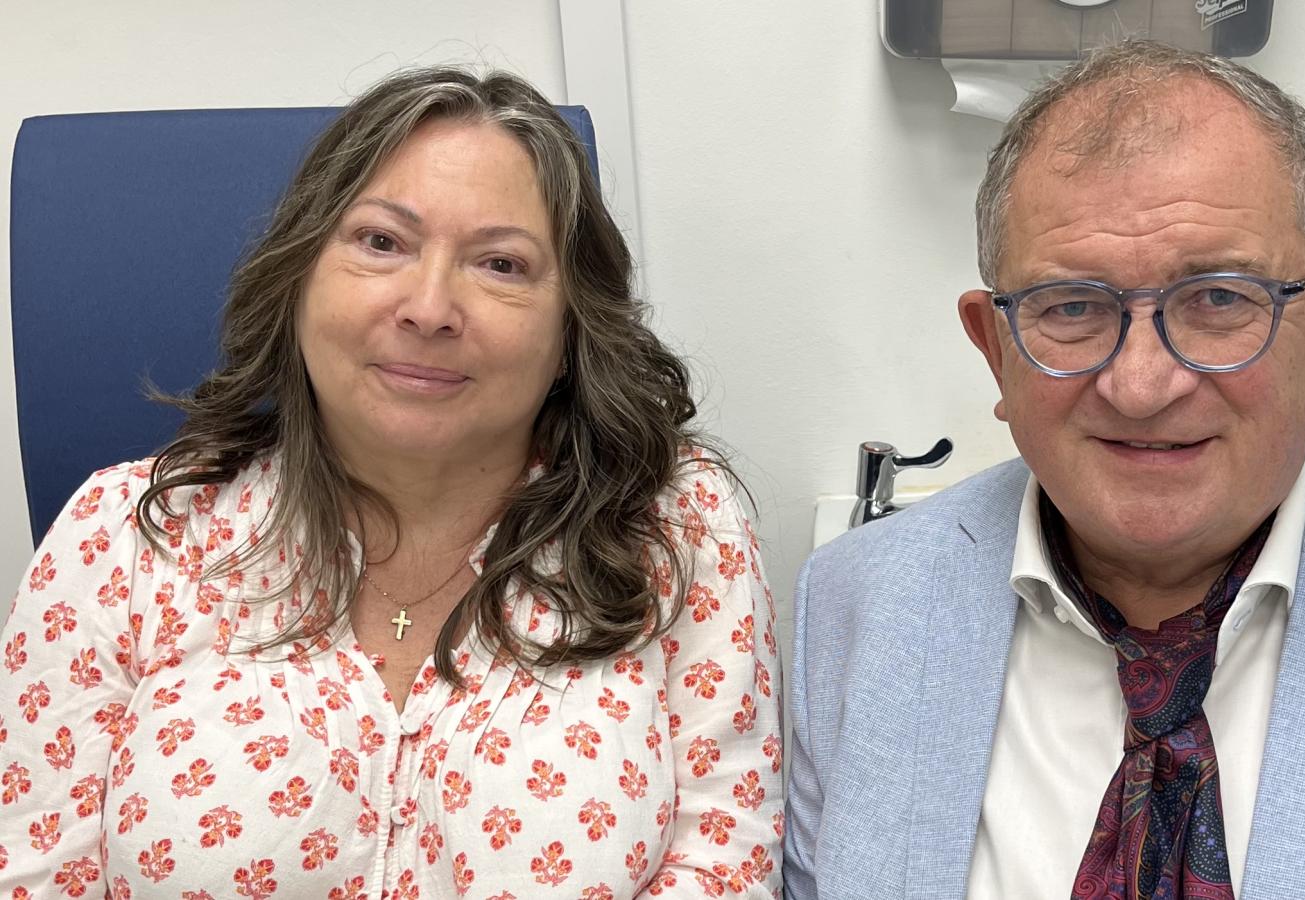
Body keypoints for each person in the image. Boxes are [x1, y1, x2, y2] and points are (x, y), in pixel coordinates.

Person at [784, 39, 1305, 900]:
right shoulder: (855, 605)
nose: (1141, 387)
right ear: (995, 349)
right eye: (1072, 306)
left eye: (1218, 299)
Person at [0, 66, 782, 898]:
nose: (429, 306)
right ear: (298, 277)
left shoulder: (675, 527)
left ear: (570, 330)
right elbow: (34, 874)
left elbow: (724, 864)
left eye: (502, 264)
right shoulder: (125, 532)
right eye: (381, 243)